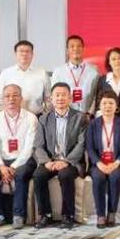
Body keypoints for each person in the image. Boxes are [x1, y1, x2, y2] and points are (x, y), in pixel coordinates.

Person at [34, 82, 89, 228]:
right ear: (51, 99)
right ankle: (45, 215)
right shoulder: (43, 119)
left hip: (71, 161)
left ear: (70, 98)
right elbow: (38, 145)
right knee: (38, 175)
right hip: (50, 161)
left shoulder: (80, 118)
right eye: (57, 95)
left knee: (65, 175)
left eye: (64, 95)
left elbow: (82, 144)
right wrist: (46, 161)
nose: (60, 98)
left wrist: (66, 161)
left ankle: (68, 215)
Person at [0, 84, 39, 229]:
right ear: (2, 99)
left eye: (15, 95)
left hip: (24, 160)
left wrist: (13, 166)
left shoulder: (31, 118)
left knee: (21, 175)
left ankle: (18, 215)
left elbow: (29, 148)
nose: (11, 99)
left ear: (21, 99)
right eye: (7, 96)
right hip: (2, 160)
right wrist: (1, 166)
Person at [86, 91, 120, 228]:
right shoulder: (93, 124)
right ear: (99, 106)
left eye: (111, 103)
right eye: (104, 103)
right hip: (98, 163)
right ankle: (101, 215)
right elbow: (89, 148)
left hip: (118, 163)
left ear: (116, 106)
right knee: (98, 178)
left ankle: (112, 212)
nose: (107, 106)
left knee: (115, 177)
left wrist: (117, 163)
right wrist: (99, 163)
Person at [0, 39, 49, 115]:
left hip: (37, 116)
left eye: (27, 51)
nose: (24, 54)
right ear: (15, 54)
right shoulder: (5, 73)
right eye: (21, 51)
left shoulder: (42, 73)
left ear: (32, 54)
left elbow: (48, 98)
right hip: (12, 117)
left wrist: (46, 116)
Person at [50, 34, 99, 114]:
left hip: (87, 115)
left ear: (83, 49)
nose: (75, 49)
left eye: (79, 46)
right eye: (72, 46)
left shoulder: (93, 71)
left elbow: (96, 96)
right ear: (67, 50)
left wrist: (90, 113)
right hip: (65, 115)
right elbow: (54, 95)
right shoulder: (58, 71)